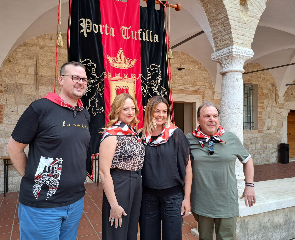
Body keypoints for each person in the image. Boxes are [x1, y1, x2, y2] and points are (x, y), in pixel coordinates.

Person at [7, 61, 91, 240]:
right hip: (43, 204)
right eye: (75, 77)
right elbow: (14, 148)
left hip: (75, 201)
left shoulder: (84, 113)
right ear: (61, 80)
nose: (80, 82)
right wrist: (29, 175)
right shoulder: (41, 108)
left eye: (83, 79)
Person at [186, 102, 256, 240]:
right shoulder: (189, 139)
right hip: (202, 201)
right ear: (198, 119)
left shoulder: (230, 138)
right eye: (207, 116)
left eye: (215, 116)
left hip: (227, 202)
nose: (212, 119)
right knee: (205, 237)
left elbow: (248, 160)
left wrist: (249, 185)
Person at [139, 96, 193, 240]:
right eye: (157, 111)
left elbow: (187, 166)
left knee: (172, 237)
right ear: (150, 112)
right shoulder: (142, 136)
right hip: (148, 197)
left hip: (173, 197)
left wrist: (187, 198)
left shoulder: (175, 134)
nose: (161, 115)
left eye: (164, 111)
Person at [99, 93, 145, 240]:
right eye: (125, 109)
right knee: (117, 229)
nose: (130, 112)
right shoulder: (111, 134)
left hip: (136, 181)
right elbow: (104, 172)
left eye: (133, 108)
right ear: (117, 110)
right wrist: (113, 204)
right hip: (120, 182)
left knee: (131, 229)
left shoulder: (133, 132)